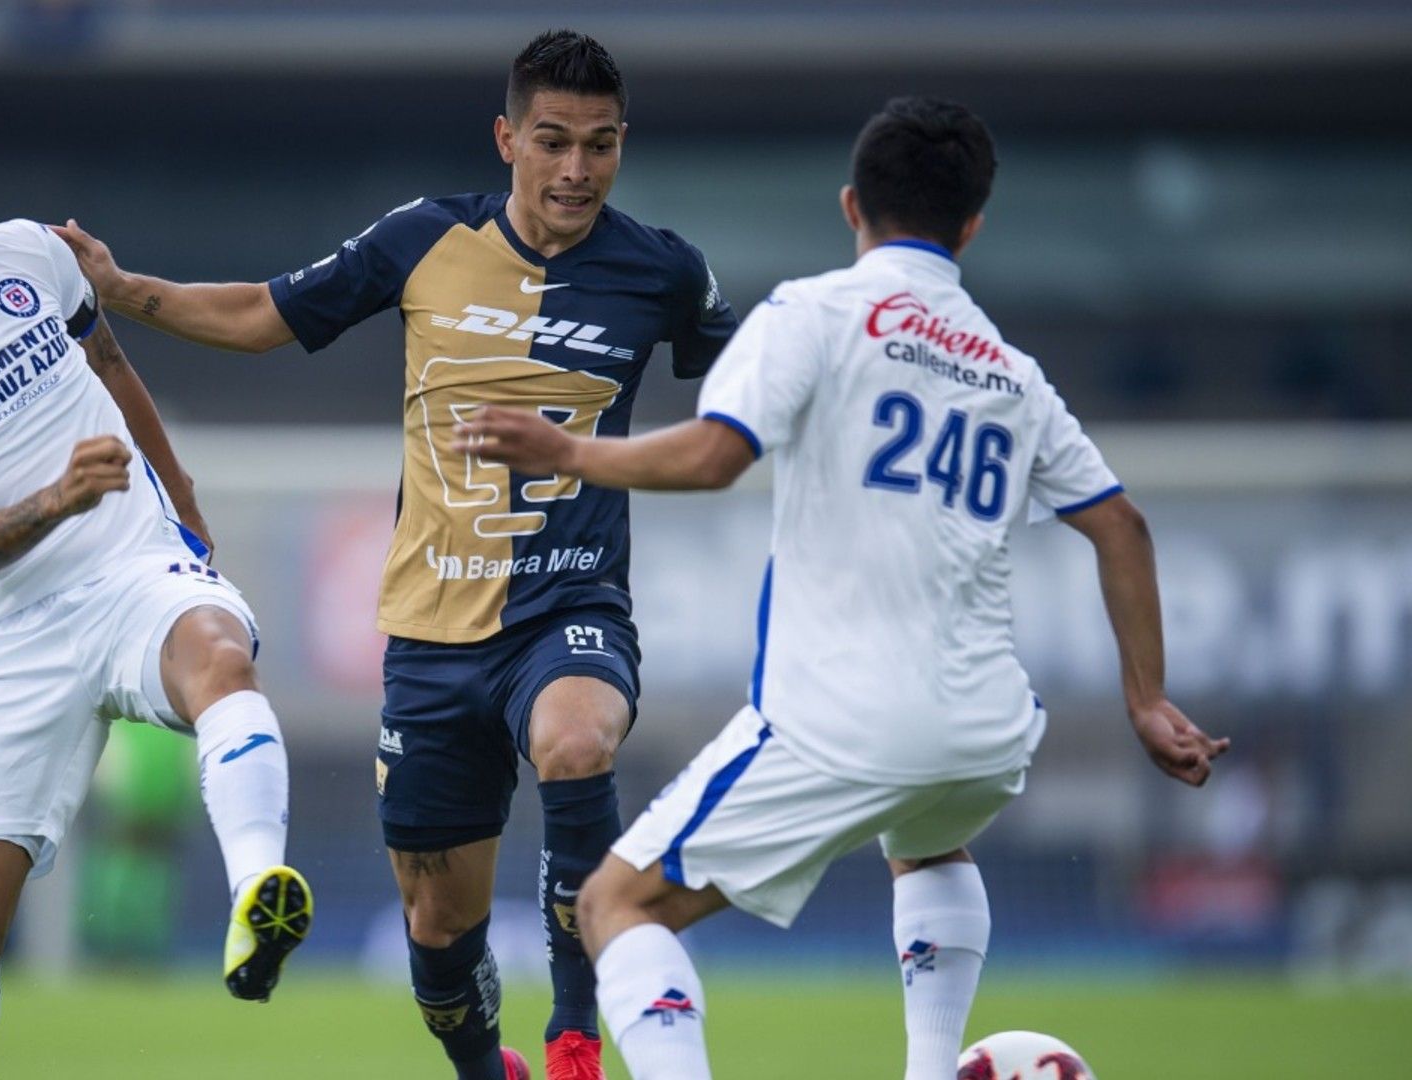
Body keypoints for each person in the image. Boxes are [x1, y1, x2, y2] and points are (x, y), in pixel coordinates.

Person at [458, 95, 1231, 1080]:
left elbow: (710, 459)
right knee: (930, 843)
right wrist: (1148, 700)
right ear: (974, 225)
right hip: (985, 729)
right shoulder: (1010, 372)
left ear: (851, 205)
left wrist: (566, 447)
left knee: (619, 904)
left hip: (842, 719)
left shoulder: (815, 313)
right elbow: (1120, 524)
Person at [54, 30, 736, 1080]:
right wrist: (121, 289)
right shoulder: (424, 238)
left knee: (576, 743)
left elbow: (747, 381)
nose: (575, 170)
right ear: (506, 138)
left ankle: (573, 1037)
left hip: (570, 605)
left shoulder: (661, 270)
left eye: (600, 145)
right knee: (435, 928)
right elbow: (262, 314)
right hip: (430, 633)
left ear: (621, 145)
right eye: (552, 142)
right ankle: (481, 1067)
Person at [0, 101, 312, 1080]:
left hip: (131, 569)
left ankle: (259, 895)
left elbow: (110, 363)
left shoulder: (31, 255)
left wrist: (187, 504)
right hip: (9, 632)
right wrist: (57, 497)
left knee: (218, 653)